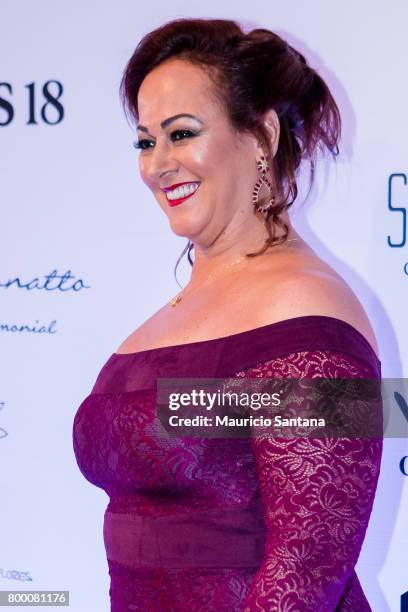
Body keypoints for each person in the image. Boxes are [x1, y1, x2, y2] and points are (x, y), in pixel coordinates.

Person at [72, 18, 383, 611]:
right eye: (144, 141)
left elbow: (304, 573)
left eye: (181, 133)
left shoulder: (309, 307)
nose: (157, 164)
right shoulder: (170, 314)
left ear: (261, 136)